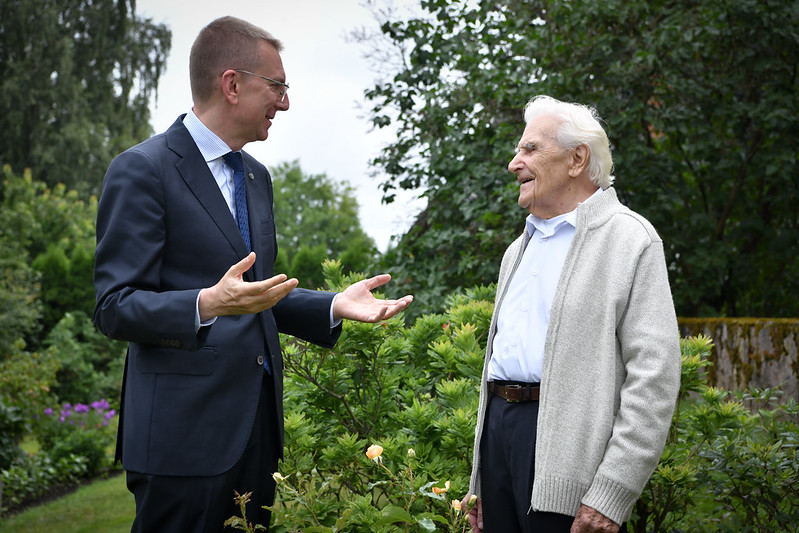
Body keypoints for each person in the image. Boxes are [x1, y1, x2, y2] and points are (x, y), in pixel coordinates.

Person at [93, 16, 412, 532]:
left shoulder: (256, 176)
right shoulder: (143, 169)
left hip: (257, 433)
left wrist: (333, 304)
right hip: (181, 440)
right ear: (232, 84)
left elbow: (250, 294)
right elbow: (114, 307)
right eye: (277, 86)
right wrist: (204, 304)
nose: (284, 103)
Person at [461, 95, 681, 533]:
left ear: (577, 159)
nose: (514, 163)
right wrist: (480, 482)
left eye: (530, 149)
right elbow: (499, 368)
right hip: (499, 445)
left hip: (569, 467)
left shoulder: (630, 239)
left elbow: (654, 377)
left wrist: (612, 492)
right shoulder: (517, 250)